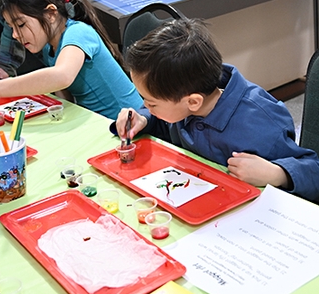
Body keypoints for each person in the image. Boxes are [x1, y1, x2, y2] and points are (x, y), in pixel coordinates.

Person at [115, 19, 319, 202]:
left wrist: (277, 174)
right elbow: (166, 119)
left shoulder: (260, 123)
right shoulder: (187, 96)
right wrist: (145, 118)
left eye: (151, 103)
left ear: (193, 102)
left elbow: (314, 170)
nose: (146, 105)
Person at [0, 0, 144, 119]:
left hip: (129, 126)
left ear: (51, 13)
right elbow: (63, 94)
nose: (15, 35)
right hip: (97, 123)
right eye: (11, 27)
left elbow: (61, 76)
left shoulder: (77, 33)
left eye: (21, 24)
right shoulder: (50, 46)